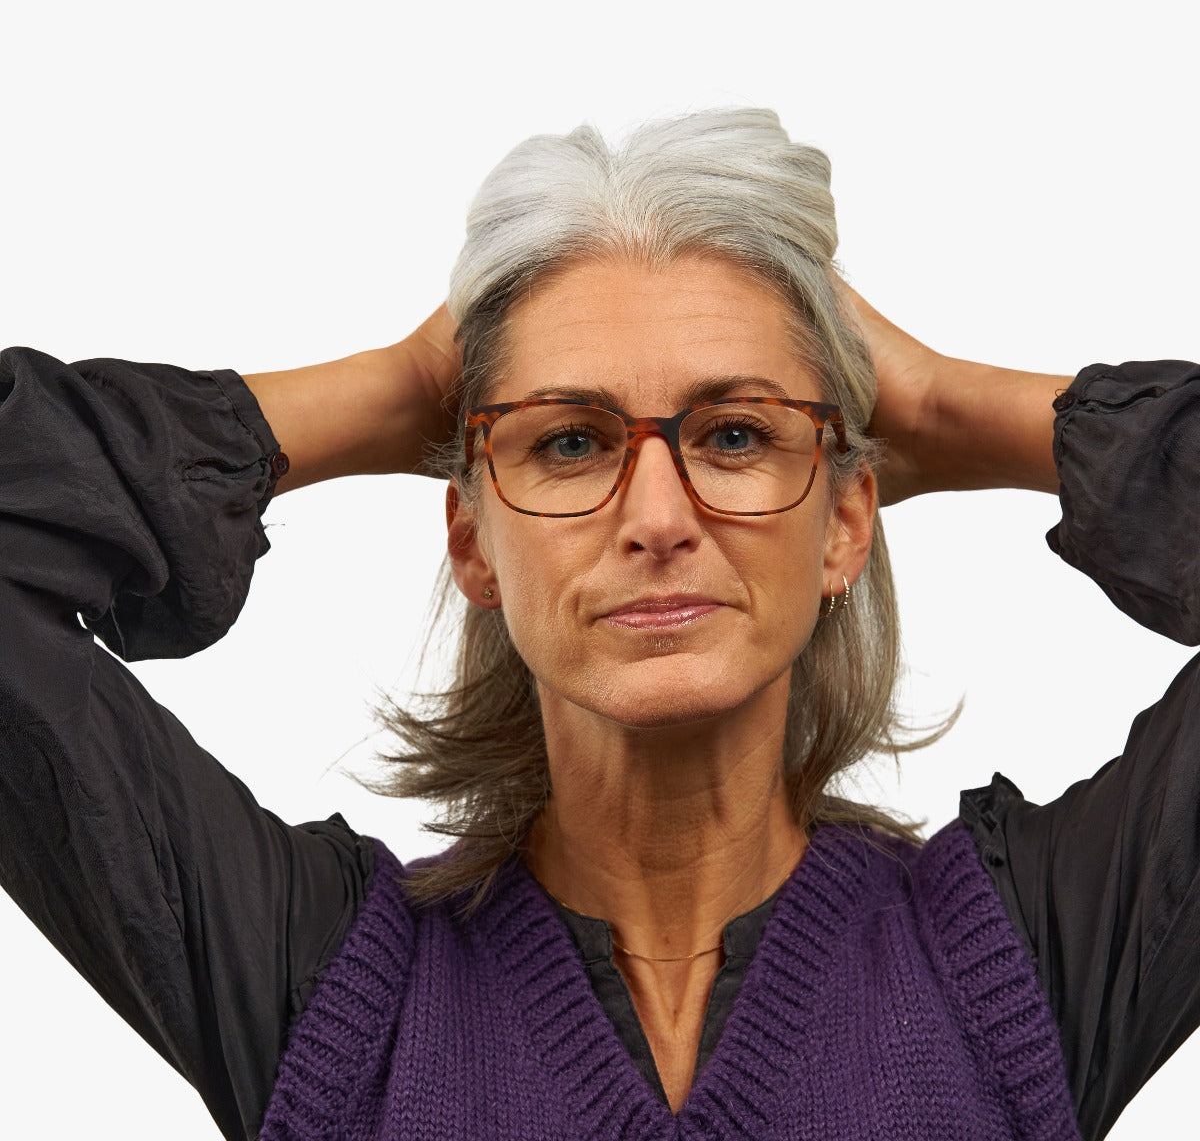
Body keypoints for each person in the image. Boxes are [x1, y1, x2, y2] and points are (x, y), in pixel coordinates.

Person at [1, 109, 1197, 1141]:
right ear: (472, 539)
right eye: (568, 442)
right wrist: (392, 393)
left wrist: (955, 401)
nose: (658, 517)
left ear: (844, 526)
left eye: (736, 434)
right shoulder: (326, 989)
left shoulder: (1026, 965)